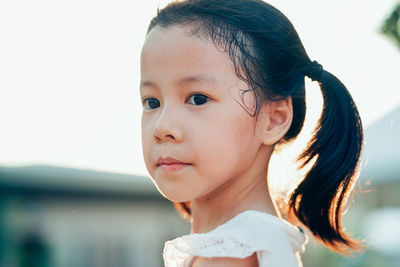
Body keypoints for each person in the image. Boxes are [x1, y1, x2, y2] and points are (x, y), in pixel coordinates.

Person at [139, 0, 364, 266]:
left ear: (273, 119)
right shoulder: (255, 243)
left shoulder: (232, 255)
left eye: (198, 98)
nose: (163, 127)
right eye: (152, 102)